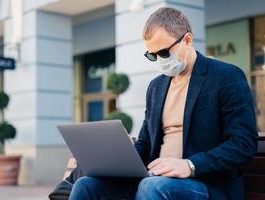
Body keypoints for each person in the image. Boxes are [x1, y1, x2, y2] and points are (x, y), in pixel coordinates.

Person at [69, 7, 258, 200]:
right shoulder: (156, 87)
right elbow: (145, 143)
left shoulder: (226, 76)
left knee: (152, 187)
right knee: (86, 186)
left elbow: (243, 143)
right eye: (152, 55)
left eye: (164, 53)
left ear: (187, 40)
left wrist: (189, 165)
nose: (159, 60)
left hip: (205, 183)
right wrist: (112, 160)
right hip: (153, 180)